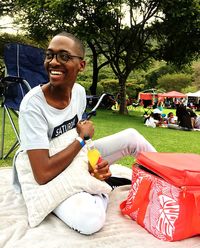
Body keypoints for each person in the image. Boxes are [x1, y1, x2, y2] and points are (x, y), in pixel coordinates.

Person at [14, 31, 156, 235]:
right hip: (46, 171)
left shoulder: (78, 93)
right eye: (49, 55)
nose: (53, 62)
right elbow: (42, 173)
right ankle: (102, 189)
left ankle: (170, 182)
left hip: (71, 157)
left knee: (132, 136)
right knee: (90, 220)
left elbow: (82, 147)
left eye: (64, 56)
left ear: (81, 65)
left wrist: (94, 164)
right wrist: (82, 140)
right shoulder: (33, 106)